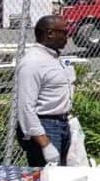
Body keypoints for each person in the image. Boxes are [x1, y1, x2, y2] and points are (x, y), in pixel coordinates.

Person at [15, 15, 75, 166]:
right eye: (64, 32)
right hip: (46, 127)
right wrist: (45, 144)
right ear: (50, 33)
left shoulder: (53, 58)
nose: (67, 37)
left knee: (61, 178)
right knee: (47, 180)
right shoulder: (33, 62)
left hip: (62, 123)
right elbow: (26, 108)